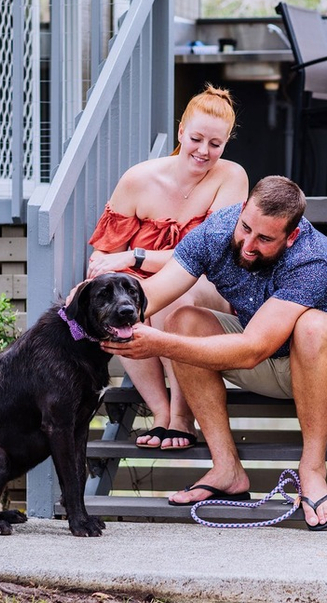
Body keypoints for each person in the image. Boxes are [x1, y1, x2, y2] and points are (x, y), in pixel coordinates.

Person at [96, 175, 327, 530]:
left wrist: (159, 344)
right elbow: (153, 291)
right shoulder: (218, 231)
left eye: (264, 239)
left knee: (310, 326)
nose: (247, 244)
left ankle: (313, 471)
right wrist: (93, 303)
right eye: (246, 228)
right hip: (270, 357)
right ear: (243, 210)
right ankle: (227, 469)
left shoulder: (311, 257)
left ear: (291, 236)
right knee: (184, 320)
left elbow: (251, 350)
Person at [85, 84, 248, 450]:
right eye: (196, 139)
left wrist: (135, 257)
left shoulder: (231, 177)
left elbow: (207, 257)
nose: (204, 151)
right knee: (120, 302)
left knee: (178, 293)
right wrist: (107, 271)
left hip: (206, 285)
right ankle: (159, 412)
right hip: (147, 289)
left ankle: (181, 417)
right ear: (180, 132)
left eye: (215, 144)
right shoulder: (138, 179)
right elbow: (103, 253)